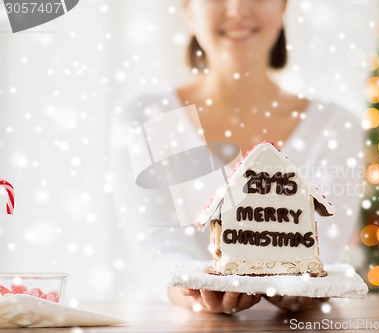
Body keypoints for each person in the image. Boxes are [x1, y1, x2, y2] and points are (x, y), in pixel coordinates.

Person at [112, 0, 363, 314]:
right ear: (188, 8)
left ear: (283, 5)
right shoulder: (146, 115)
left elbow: (325, 245)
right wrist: (194, 288)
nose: (237, 8)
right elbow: (157, 243)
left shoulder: (336, 126)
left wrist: (300, 285)